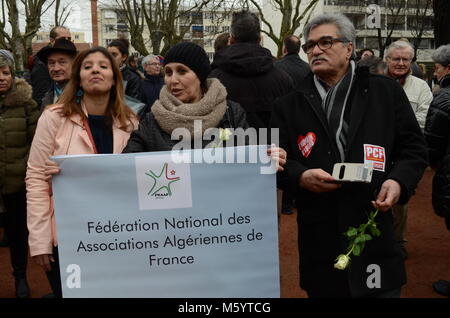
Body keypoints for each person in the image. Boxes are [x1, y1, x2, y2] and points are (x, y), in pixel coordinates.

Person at [271, 13, 428, 298]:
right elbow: (277, 162)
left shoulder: (385, 92)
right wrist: (301, 175)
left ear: (349, 47)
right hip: (320, 236)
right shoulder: (288, 104)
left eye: (326, 42)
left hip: (374, 228)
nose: (316, 50)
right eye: (310, 46)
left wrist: (398, 182)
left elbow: (414, 148)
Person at [26, 47, 138, 298]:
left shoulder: (131, 122)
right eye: (87, 67)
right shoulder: (53, 118)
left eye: (103, 66)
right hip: (67, 238)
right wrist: (40, 240)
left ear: (114, 78)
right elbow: (35, 178)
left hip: (117, 237)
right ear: (78, 77)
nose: (95, 70)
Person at [122, 41, 286, 171]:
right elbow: (126, 164)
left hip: (222, 212)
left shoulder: (231, 114)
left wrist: (270, 157)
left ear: (200, 76)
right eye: (169, 72)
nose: (173, 80)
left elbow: (251, 157)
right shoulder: (153, 119)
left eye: (182, 71)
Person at [385, 40, 433, 257]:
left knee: (400, 197)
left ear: (412, 61)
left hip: (404, 152)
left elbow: (424, 120)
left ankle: (397, 241)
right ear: (387, 59)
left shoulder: (422, 87)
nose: (401, 63)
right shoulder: (374, 82)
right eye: (396, 58)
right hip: (377, 149)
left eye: (406, 59)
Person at [209, 10, 292, 133]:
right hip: (272, 149)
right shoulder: (283, 79)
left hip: (227, 150)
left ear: (231, 40)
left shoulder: (212, 80)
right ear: (259, 39)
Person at [0, 50, 40, 298]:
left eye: (5, 72)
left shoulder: (27, 104)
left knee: (16, 234)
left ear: (13, 74)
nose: (1, 77)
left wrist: (24, 170)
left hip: (16, 184)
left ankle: (20, 277)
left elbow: (35, 143)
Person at [424, 44, 450, 297]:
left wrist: (431, 163)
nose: (437, 72)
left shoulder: (444, 97)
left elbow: (433, 140)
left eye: (438, 67)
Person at [31, 26, 72, 108]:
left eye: (69, 39)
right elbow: (39, 98)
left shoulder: (84, 92)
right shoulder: (41, 66)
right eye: (51, 63)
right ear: (52, 41)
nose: (56, 68)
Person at [37, 38, 77, 110]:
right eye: (51, 63)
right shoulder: (47, 98)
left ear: (74, 64)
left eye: (62, 62)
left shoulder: (86, 95)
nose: (56, 68)